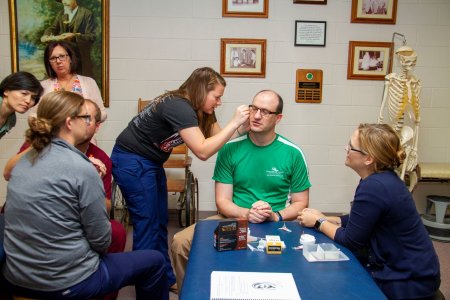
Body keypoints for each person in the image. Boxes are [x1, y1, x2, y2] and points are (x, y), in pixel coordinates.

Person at [2, 91, 168, 300]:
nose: (92, 123)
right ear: (70, 122)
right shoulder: (82, 167)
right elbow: (101, 240)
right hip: (65, 284)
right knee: (155, 261)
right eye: (86, 118)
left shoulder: (23, 161)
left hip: (16, 278)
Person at [111, 66, 250, 291]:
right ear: (202, 90)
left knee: (159, 222)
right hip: (130, 160)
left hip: (151, 162)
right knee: (147, 225)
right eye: (217, 96)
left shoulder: (200, 108)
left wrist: (243, 127)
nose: (219, 102)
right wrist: (234, 122)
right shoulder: (178, 105)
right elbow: (203, 151)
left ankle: (164, 278)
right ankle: (148, 289)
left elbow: (219, 137)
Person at [171, 90, 311, 289]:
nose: (256, 116)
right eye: (253, 108)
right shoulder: (229, 149)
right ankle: (191, 290)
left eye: (265, 111)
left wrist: (274, 216)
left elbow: (300, 203)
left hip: (278, 221)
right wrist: (247, 213)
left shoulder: (293, 153)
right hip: (235, 217)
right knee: (180, 242)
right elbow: (222, 201)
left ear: (278, 118)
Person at [297, 123, 441, 300]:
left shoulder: (373, 186)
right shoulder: (383, 178)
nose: (346, 149)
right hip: (419, 272)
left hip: (407, 282)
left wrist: (319, 222)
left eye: (351, 147)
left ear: (368, 159)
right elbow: (363, 217)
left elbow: (351, 240)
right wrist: (330, 218)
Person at [33, 40, 106, 122]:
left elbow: (103, 113)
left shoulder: (89, 82)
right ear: (49, 63)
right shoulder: (43, 86)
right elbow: (35, 116)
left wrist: (86, 119)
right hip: (52, 134)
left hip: (82, 133)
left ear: (70, 58)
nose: (58, 61)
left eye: (62, 56)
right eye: (53, 58)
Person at [41, 0, 96, 77]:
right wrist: (46, 35)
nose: (64, 2)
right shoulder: (61, 14)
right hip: (63, 58)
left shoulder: (86, 14)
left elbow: (91, 37)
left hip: (80, 58)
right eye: (62, 0)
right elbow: (53, 28)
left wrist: (74, 36)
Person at [0, 72, 43, 140]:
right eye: (24, 93)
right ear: (6, 91)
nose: (28, 101)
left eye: (33, 98)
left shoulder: (11, 120)